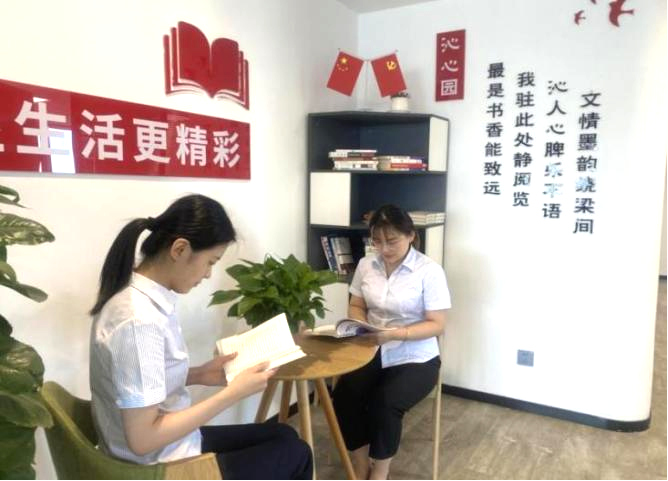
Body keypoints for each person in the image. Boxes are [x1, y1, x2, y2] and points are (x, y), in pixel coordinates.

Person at [89, 194, 312, 480]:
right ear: (180, 249)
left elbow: (138, 380)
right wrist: (234, 393)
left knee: (283, 435)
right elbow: (143, 439)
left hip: (169, 447)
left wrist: (199, 374)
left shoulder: (136, 299)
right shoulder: (138, 321)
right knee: (296, 453)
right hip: (157, 467)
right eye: (210, 262)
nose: (207, 274)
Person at [332, 204, 451, 480]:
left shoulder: (429, 271)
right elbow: (356, 305)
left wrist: (397, 334)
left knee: (384, 403)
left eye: (392, 240)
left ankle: (381, 471)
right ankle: (361, 463)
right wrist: (361, 325)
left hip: (417, 356)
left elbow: (437, 324)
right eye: (377, 241)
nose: (384, 249)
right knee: (344, 396)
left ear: (411, 235)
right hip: (373, 347)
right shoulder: (366, 265)